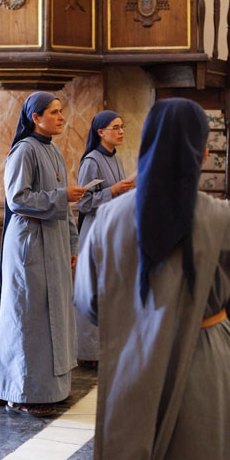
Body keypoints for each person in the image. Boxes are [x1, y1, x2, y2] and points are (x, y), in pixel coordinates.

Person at [73, 98, 230, 460]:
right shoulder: (219, 216)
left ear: (146, 145)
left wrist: (144, 319)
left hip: (133, 359)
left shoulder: (108, 218)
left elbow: (90, 302)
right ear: (202, 153)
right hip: (203, 359)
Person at [0, 91, 86, 417]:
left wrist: (73, 246)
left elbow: (64, 207)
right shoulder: (24, 151)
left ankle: (49, 389)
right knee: (29, 317)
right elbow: (18, 198)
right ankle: (21, 392)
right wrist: (62, 196)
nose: (62, 117)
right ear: (36, 117)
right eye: (55, 112)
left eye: (62, 111)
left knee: (53, 317)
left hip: (54, 242)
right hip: (30, 246)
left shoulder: (55, 152)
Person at [75, 110, 134, 367]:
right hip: (94, 230)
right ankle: (88, 354)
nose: (121, 131)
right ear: (101, 132)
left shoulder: (115, 158)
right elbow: (83, 202)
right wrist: (113, 190)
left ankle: (106, 349)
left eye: (122, 126)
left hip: (111, 228)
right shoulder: (91, 160)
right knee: (93, 291)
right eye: (116, 127)